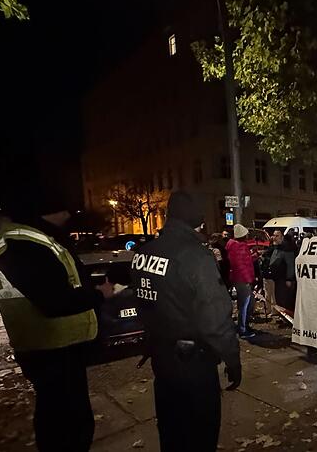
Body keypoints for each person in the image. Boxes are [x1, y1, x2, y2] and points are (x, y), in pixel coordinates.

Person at [0, 195, 113, 452]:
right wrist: (100, 295)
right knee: (66, 425)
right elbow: (54, 300)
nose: (68, 216)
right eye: (64, 210)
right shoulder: (21, 244)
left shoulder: (31, 238)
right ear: (48, 211)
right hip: (51, 347)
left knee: (62, 417)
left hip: (55, 346)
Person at [131, 191, 241, 451]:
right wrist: (232, 359)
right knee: (200, 435)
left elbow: (144, 303)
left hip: (162, 360)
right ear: (197, 218)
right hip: (194, 366)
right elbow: (215, 319)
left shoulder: (144, 253)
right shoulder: (195, 256)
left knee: (172, 433)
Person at [226, 224, 256, 339]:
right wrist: (248, 280)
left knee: (246, 303)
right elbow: (241, 266)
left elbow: (243, 261)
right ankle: (243, 329)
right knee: (244, 305)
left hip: (240, 279)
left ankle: (244, 326)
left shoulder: (235, 246)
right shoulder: (240, 247)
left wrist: (254, 256)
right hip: (243, 280)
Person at [269, 232, 297, 312]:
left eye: (277, 236)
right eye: (274, 235)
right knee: (279, 299)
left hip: (284, 279)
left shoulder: (287, 248)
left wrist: (289, 279)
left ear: (282, 237)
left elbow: (290, 264)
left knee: (285, 299)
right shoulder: (278, 247)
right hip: (278, 278)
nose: (274, 237)